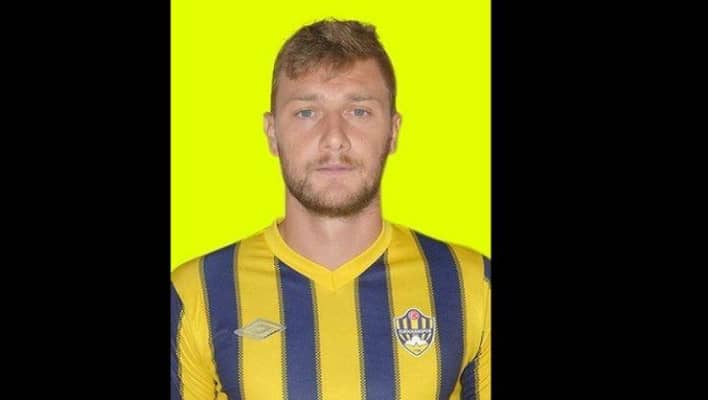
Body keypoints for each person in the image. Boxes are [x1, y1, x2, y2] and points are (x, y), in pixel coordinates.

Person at [171, 19, 490, 400]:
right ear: (272, 133)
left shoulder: (472, 286)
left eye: (359, 111)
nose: (334, 138)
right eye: (307, 112)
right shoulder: (197, 292)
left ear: (393, 130)